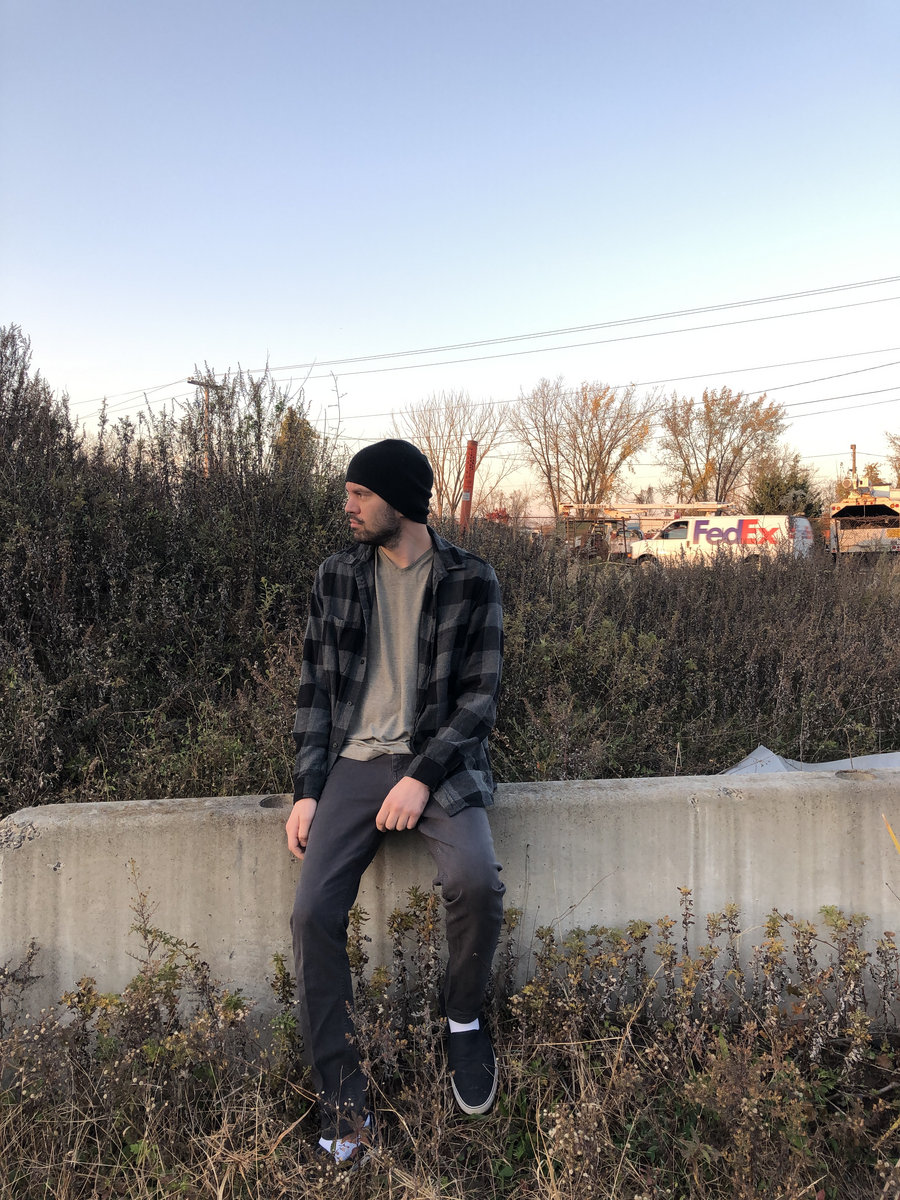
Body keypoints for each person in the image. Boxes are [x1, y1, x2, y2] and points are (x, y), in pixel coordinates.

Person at [286, 438, 505, 1165]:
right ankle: (344, 1101)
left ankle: (463, 1020)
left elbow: (480, 698)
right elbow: (315, 690)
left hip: (437, 761)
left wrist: (422, 775)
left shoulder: (471, 578)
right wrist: (307, 791)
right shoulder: (336, 575)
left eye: (360, 494)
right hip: (351, 763)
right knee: (312, 913)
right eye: (348, 493)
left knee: (475, 881)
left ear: (401, 501)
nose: (347, 506)